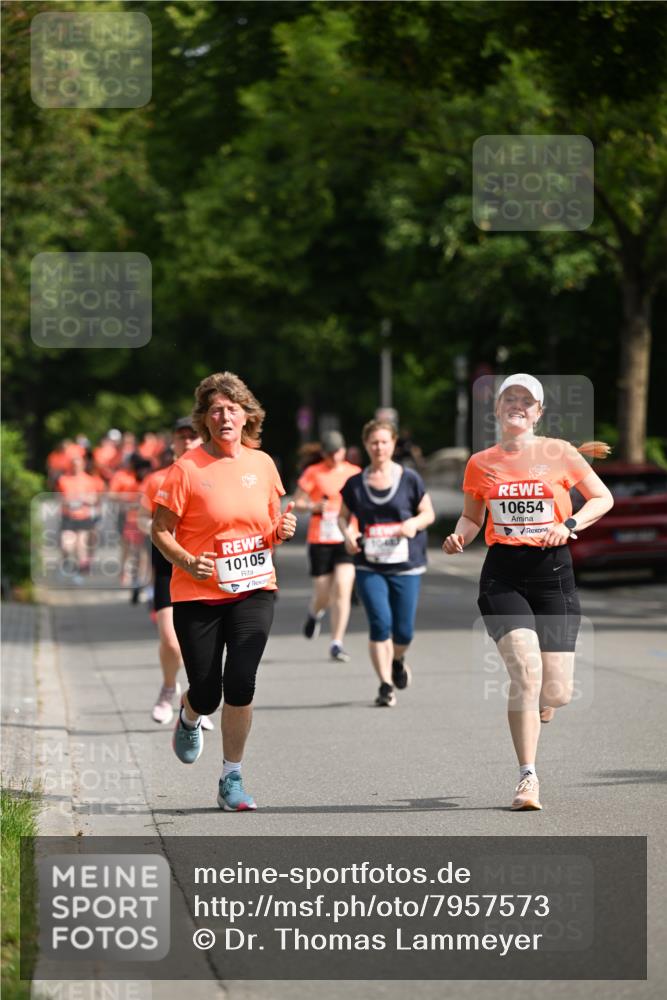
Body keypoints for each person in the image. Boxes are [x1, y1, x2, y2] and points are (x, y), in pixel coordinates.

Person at [443, 373, 613, 811]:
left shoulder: (560, 453)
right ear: (497, 409)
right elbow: (472, 518)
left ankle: (543, 702)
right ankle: (528, 777)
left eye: (526, 400)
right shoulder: (480, 463)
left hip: (554, 577)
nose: (517, 405)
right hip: (503, 577)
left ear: (538, 412)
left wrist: (569, 524)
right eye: (509, 399)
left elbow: (602, 499)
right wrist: (460, 536)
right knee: (525, 674)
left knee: (556, 692)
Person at [151, 372, 296, 811]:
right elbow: (160, 530)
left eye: (232, 409)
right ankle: (189, 714)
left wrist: (281, 531)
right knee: (207, 690)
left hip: (255, 588)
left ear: (247, 416)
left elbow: (269, 527)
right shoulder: (186, 469)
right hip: (198, 594)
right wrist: (186, 560)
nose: (224, 417)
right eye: (215, 410)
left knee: (241, 680)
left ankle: (231, 777)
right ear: (205, 419)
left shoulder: (263, 464)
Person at [338, 419, 435, 706]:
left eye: (384, 442)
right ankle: (385, 685)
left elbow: (428, 513)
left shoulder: (409, 479)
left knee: (403, 632)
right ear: (366, 445)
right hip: (369, 565)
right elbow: (342, 516)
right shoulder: (355, 484)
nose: (379, 447)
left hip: (406, 565)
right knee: (380, 624)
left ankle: (397, 658)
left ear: (393, 444)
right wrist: (348, 534)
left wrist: (413, 524)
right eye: (374, 442)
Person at [140, 418, 212, 731]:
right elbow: (143, 520)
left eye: (193, 436)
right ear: (173, 442)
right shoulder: (157, 479)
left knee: (201, 644)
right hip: (167, 567)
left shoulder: (212, 475)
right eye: (181, 436)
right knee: (171, 642)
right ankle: (169, 687)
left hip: (202, 567)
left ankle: (198, 701)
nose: (187, 441)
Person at [294, 431, 361, 662]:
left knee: (343, 588)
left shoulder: (354, 472)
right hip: (320, 539)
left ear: (344, 450)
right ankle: (314, 612)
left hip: (347, 538)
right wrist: (313, 506)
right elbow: (298, 502)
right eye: (330, 453)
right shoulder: (314, 472)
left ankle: (336, 642)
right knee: (323, 595)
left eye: (338, 452)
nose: (334, 456)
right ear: (323, 453)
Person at [56, 453, 105, 581]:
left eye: (78, 465)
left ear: (83, 465)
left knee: (81, 546)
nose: (75, 467)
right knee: (66, 545)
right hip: (68, 517)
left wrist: (83, 499)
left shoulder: (90, 480)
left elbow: (95, 499)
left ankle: (79, 572)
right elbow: (59, 498)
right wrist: (69, 501)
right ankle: (66, 563)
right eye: (73, 465)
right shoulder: (63, 480)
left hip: (84, 517)